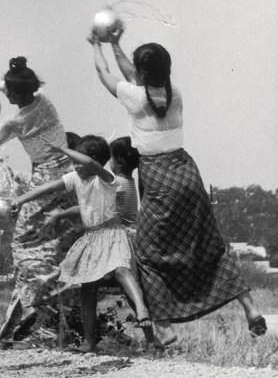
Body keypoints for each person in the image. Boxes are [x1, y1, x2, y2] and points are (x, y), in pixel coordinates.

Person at [89, 28, 267, 345]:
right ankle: (250, 308)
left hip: (158, 177)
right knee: (211, 245)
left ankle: (165, 326)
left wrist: (97, 46)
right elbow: (135, 74)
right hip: (187, 172)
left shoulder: (135, 97)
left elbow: (106, 74)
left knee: (146, 254)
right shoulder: (174, 93)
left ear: (142, 72)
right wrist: (116, 43)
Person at [0, 56, 82, 349]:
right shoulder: (44, 100)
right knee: (54, 244)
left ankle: (34, 302)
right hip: (68, 175)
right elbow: (11, 84)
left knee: (21, 243)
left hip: (45, 179)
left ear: (15, 95)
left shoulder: (18, 119)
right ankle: (26, 318)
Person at [12, 136, 155, 353]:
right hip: (91, 238)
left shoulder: (108, 179)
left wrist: (61, 148)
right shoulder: (75, 179)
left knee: (122, 271)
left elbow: (90, 164)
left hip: (112, 232)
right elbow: (48, 188)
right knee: (87, 292)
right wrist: (20, 200)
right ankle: (89, 343)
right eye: (74, 163)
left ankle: (143, 311)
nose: (76, 166)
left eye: (79, 161)